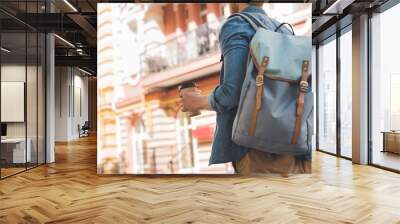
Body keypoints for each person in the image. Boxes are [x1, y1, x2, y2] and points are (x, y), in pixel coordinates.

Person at [179, 2, 311, 175]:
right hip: (297, 149)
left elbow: (232, 93)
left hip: (258, 153)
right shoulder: (284, 31)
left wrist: (197, 102)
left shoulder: (237, 24)